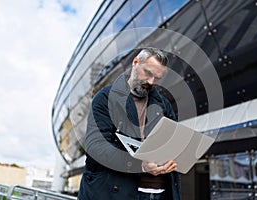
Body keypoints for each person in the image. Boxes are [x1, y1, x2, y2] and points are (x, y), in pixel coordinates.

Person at [78, 47, 181, 200]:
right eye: (148, 73)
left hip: (160, 193)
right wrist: (140, 165)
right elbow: (96, 147)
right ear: (135, 62)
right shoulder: (105, 98)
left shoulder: (164, 105)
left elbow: (171, 144)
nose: (151, 82)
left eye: (157, 78)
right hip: (116, 192)